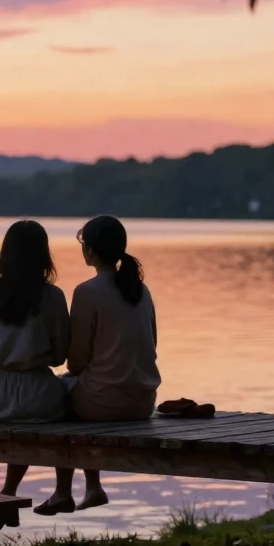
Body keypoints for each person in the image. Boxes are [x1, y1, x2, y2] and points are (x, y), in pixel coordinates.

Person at [36, 215, 161, 516]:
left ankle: (62, 493)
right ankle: (92, 488)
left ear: (89, 251)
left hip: (104, 402)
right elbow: (151, 344)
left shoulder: (87, 292)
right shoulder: (141, 290)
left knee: (58, 396)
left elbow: (76, 361)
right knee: (81, 387)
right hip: (143, 401)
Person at [0, 219, 70, 500]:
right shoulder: (52, 297)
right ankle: (62, 491)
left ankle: (9, 490)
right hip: (37, 394)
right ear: (44, 255)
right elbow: (60, 356)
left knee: (26, 418)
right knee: (69, 403)